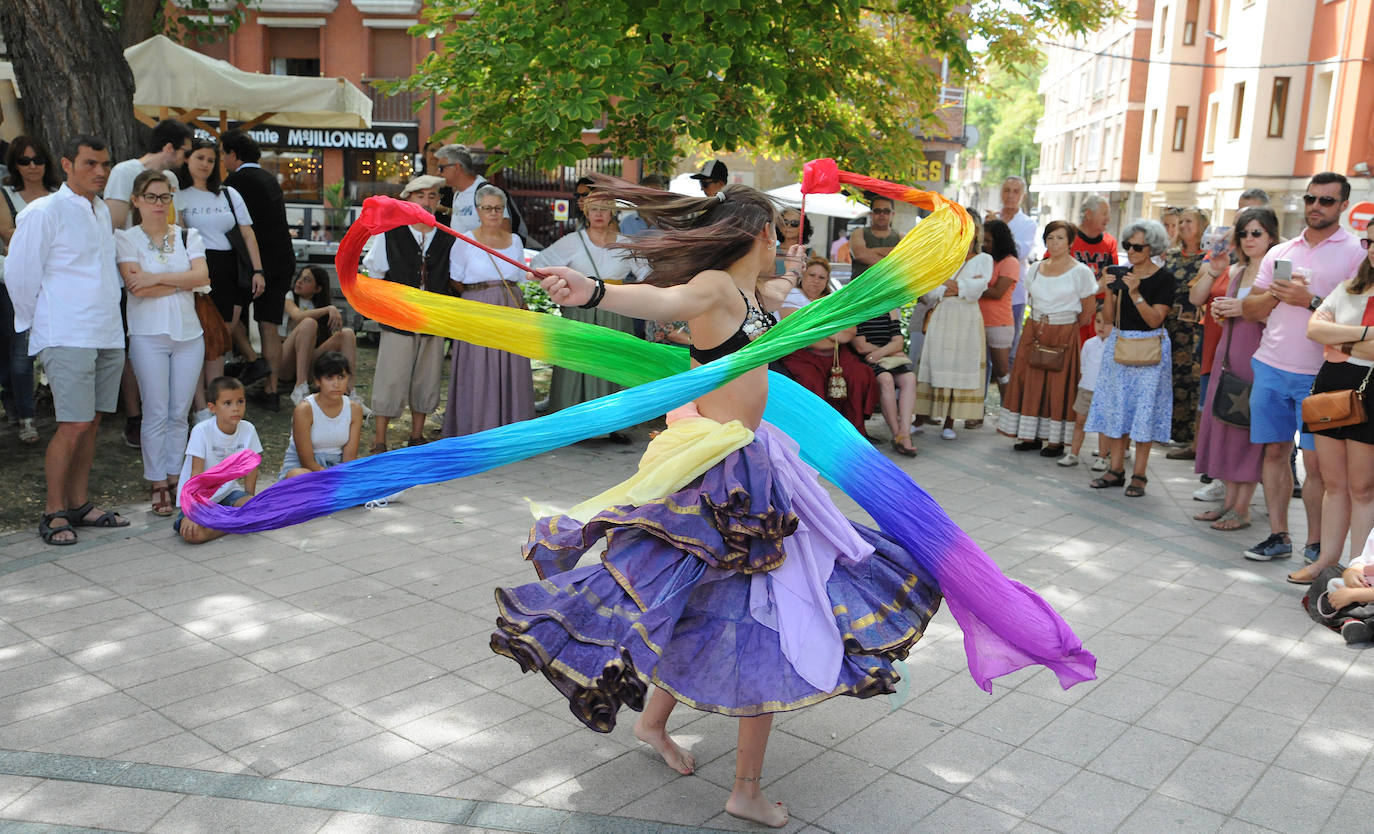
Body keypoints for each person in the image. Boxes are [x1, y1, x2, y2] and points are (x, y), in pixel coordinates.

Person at [498, 175, 941, 829]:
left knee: (716, 601)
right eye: (781, 232)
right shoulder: (713, 290)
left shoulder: (750, 292)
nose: (784, 243)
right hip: (726, 476)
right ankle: (745, 789)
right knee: (770, 616)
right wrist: (590, 289)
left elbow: (774, 336)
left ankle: (655, 723)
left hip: (753, 464)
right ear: (761, 233)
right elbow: (661, 297)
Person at [6, 135, 129, 544]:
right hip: (66, 332)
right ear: (67, 164)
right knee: (73, 424)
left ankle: (78, 503)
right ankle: (53, 511)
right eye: (91, 163)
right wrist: (38, 325)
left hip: (106, 330)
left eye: (105, 164)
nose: (100, 171)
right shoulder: (44, 211)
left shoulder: (99, 212)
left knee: (91, 423)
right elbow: (20, 276)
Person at [1241, 173, 1365, 573]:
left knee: (1317, 468)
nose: (1316, 206)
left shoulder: (1354, 253)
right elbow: (1252, 310)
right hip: (1272, 364)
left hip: (1322, 375)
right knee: (1274, 451)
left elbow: (1354, 316)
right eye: (1311, 198)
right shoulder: (1283, 249)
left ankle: (1316, 546)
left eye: (1327, 201)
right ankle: (1279, 534)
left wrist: (1306, 299)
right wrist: (1273, 297)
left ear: (1343, 206)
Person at [114, 170, 211, 517]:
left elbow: (202, 277)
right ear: (137, 200)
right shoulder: (126, 239)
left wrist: (155, 278)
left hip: (189, 335)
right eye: (151, 197)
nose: (159, 204)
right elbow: (135, 286)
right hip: (147, 334)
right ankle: (157, 481)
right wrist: (180, 282)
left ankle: (176, 477)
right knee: (154, 410)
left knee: (178, 412)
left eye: (165, 197)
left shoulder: (188, 235)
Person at [1190, 208, 1277, 532]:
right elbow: (1199, 298)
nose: (1249, 239)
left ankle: (1241, 509)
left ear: (1270, 235)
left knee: (1244, 432)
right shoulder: (1237, 270)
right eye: (1244, 233)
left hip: (1256, 359)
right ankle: (1228, 504)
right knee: (1223, 427)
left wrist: (1243, 309)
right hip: (1225, 356)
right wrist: (1224, 310)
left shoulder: (1275, 274)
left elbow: (1278, 318)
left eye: (1256, 233)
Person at [1299, 221, 1374, 580]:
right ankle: (1326, 561)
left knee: (1362, 487)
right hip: (1331, 388)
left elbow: (1327, 334)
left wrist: (1338, 340)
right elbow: (1314, 330)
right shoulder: (1350, 288)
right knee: (1334, 484)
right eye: (1369, 241)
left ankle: (1358, 571)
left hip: (1369, 390)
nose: (1372, 248)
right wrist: (1363, 335)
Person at [175, 137, 266, 419]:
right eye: (200, 158)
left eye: (211, 160)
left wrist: (258, 270)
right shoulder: (178, 194)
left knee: (219, 339)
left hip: (228, 268)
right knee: (196, 338)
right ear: (188, 159)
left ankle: (213, 404)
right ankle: (199, 405)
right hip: (197, 267)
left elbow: (248, 233)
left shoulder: (229, 194)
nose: (205, 165)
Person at [361, 175, 453, 452]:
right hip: (398, 317)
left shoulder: (446, 235)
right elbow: (375, 273)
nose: (427, 201)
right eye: (420, 195)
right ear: (408, 199)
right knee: (391, 375)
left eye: (432, 196)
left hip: (432, 318)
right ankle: (380, 439)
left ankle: (416, 434)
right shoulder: (391, 232)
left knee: (427, 376)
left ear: (439, 201)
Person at [1084, 219, 1175, 497]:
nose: (1131, 252)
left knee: (1145, 411)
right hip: (1120, 345)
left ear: (1152, 248)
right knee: (1117, 408)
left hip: (1150, 350)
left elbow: (1155, 319)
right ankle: (1114, 469)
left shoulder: (1164, 279)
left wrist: (1135, 293)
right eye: (1127, 246)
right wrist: (1111, 292)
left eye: (1137, 247)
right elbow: (1109, 319)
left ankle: (1139, 474)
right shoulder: (1124, 275)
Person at [534, 190, 640, 428]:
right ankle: (574, 423)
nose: (599, 213)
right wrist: (561, 284)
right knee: (578, 360)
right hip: (580, 309)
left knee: (612, 363)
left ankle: (612, 424)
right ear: (586, 211)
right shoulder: (573, 241)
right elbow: (540, 264)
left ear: (612, 211)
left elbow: (649, 273)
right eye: (594, 208)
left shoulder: (627, 244)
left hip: (615, 308)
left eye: (604, 208)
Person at [442, 185, 535, 437]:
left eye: (498, 208)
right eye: (487, 208)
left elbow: (518, 278)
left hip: (510, 306)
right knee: (479, 367)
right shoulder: (465, 241)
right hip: (478, 307)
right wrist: (482, 297)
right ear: (478, 210)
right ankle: (477, 428)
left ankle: (512, 429)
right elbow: (456, 278)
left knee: (511, 365)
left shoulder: (515, 240)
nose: (493, 213)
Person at [997, 220, 1097, 454]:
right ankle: (1029, 436)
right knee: (1030, 382)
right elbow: (1033, 298)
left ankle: (1056, 441)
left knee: (1058, 385)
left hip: (1063, 330)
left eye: (1060, 238)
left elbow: (1088, 309)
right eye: (1050, 238)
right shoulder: (1035, 268)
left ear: (1070, 241)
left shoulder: (1080, 271)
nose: (1055, 242)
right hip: (1035, 328)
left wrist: (1065, 324)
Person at [222, 129, 296, 413]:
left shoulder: (236, 181)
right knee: (269, 324)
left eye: (223, 154)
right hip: (282, 260)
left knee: (231, 315)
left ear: (233, 154)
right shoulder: (270, 179)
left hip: (253, 264)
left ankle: (254, 361)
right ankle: (272, 390)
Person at [0, 136, 60, 444]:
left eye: (38, 160)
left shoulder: (58, 193)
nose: (32, 166)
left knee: (44, 349)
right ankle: (24, 416)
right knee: (18, 351)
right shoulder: (5, 192)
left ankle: (44, 412)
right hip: (18, 281)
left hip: (56, 282)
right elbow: (8, 233)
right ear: (14, 164)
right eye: (24, 160)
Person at [778, 257, 878, 437]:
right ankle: (817, 434)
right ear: (803, 275)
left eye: (821, 277)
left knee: (860, 375)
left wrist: (817, 329)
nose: (816, 281)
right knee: (810, 380)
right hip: (802, 355)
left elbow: (849, 332)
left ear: (827, 280)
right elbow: (803, 336)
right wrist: (832, 330)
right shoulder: (790, 296)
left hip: (837, 354)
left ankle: (854, 432)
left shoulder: (833, 300)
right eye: (812, 275)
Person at [914, 211, 991, 440]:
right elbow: (928, 289)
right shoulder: (943, 258)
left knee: (960, 364)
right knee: (932, 363)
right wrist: (958, 286)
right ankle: (918, 419)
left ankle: (950, 422)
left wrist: (948, 284)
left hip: (966, 317)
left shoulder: (984, 259)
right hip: (943, 313)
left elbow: (978, 289)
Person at [173, 376, 260, 544]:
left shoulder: (248, 429)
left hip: (228, 493)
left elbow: (251, 469)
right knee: (193, 534)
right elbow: (196, 474)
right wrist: (192, 512)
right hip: (198, 500)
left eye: (240, 401)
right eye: (228, 403)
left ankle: (223, 523)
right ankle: (232, 524)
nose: (236, 408)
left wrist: (250, 500)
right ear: (212, 407)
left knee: (257, 510)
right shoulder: (202, 431)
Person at [1161, 207, 1209, 459]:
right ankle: (1173, 433)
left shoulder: (1211, 257)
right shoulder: (1170, 255)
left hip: (1198, 329)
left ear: (1202, 225)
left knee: (1194, 381)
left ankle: (1194, 437)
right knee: (1172, 378)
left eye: (1189, 221)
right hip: (1171, 328)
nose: (1183, 226)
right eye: (1181, 222)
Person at [279, 266, 359, 406]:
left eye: (306, 280)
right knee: (308, 323)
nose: (299, 282)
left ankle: (350, 393)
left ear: (317, 289)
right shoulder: (289, 296)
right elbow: (297, 316)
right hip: (285, 362)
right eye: (299, 277)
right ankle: (300, 388)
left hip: (308, 362)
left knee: (347, 333)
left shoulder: (319, 305)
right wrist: (329, 309)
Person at [279, 351, 362, 479]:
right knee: (300, 476)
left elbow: (349, 458)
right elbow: (306, 461)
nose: (336, 384)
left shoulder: (354, 409)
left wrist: (342, 476)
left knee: (368, 475)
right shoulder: (305, 409)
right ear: (318, 381)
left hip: (337, 467)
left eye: (341, 377)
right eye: (329, 378)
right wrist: (327, 476)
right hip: (306, 468)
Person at [104, 119, 193, 229]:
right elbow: (114, 224)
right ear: (169, 148)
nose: (187, 159)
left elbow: (178, 222)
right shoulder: (124, 171)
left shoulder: (171, 178)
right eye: (186, 153)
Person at [853, 307, 917, 456]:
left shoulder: (890, 307)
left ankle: (905, 433)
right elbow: (861, 346)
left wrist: (880, 353)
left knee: (909, 378)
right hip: (866, 360)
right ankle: (896, 434)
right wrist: (889, 350)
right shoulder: (859, 308)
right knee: (885, 379)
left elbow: (898, 342)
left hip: (886, 358)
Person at [435, 144, 523, 238]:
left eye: (441, 168)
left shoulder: (486, 192)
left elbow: (504, 234)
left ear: (456, 167)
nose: (438, 173)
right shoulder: (458, 194)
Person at [993, 176, 1037, 357]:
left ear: (1023, 196)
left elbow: (1019, 252)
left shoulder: (1028, 224)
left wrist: (1001, 229)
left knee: (1010, 350)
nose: (1010, 195)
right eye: (1006, 190)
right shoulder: (991, 219)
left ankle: (1008, 385)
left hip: (1015, 295)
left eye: (1016, 191)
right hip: (988, 289)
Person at [979, 217, 1020, 404]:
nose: (985, 244)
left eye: (989, 240)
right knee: (978, 370)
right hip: (978, 321)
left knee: (1002, 371)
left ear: (999, 240)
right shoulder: (984, 259)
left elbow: (997, 292)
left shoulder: (1010, 262)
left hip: (999, 324)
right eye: (983, 240)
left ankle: (1008, 410)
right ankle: (976, 413)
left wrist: (970, 287)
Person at [1061, 307, 1108, 467]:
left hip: (1105, 391)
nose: (1101, 327)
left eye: (1108, 323)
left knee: (1103, 425)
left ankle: (1102, 457)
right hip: (1086, 389)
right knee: (1080, 422)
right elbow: (1083, 367)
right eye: (1098, 321)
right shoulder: (1089, 344)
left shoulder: (1116, 345)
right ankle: (1073, 453)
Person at [1070, 195, 1119, 342]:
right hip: (1073, 310)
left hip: (1099, 317)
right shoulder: (1068, 239)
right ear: (1088, 214)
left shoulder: (1109, 242)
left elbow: (1113, 280)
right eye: (1104, 214)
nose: (1108, 219)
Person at [850, 195, 901, 279]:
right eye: (877, 211)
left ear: (893, 214)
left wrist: (870, 252)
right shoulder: (858, 233)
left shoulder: (901, 237)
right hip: (862, 289)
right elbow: (860, 255)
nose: (882, 214)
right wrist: (893, 256)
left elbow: (903, 260)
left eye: (886, 211)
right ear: (871, 214)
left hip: (890, 289)